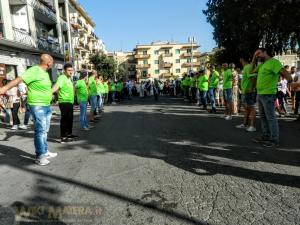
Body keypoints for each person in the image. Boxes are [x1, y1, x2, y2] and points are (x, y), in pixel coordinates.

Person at [0, 54, 57, 165]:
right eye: (52, 61)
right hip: (37, 105)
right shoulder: (34, 70)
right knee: (40, 131)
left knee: (44, 130)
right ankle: (40, 156)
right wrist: (4, 88)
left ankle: (45, 151)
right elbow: (18, 80)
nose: (53, 63)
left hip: (46, 105)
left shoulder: (45, 73)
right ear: (48, 62)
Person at [251, 48, 292, 148]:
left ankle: (274, 140)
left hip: (269, 94)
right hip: (260, 94)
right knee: (263, 117)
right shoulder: (262, 64)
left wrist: (290, 82)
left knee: (271, 118)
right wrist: (254, 57)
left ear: (265, 52)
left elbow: (285, 72)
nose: (258, 56)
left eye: (259, 53)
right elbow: (252, 70)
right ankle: (266, 136)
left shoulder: (274, 62)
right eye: (256, 55)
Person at [52, 63, 78, 143]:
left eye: (72, 70)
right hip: (64, 101)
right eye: (69, 70)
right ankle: (63, 137)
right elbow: (56, 87)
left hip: (70, 101)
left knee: (70, 118)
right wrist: (50, 93)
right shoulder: (62, 78)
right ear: (64, 70)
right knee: (65, 119)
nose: (71, 72)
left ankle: (69, 134)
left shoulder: (69, 78)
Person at [236, 57, 257, 132]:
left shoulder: (248, 67)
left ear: (241, 59)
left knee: (252, 108)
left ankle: (252, 126)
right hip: (245, 91)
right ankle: (245, 124)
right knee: (247, 108)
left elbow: (253, 77)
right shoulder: (246, 67)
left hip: (249, 91)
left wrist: (252, 88)